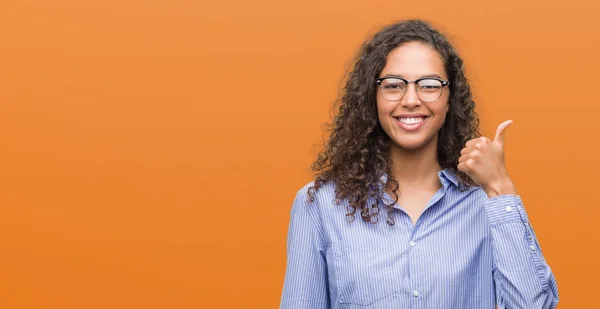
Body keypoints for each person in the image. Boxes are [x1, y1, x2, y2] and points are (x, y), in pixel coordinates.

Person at [279, 19, 559, 308]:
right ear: (372, 98)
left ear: (450, 99)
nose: (411, 100)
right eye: (393, 85)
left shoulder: (484, 204)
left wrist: (500, 187)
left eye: (429, 85)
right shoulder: (320, 205)